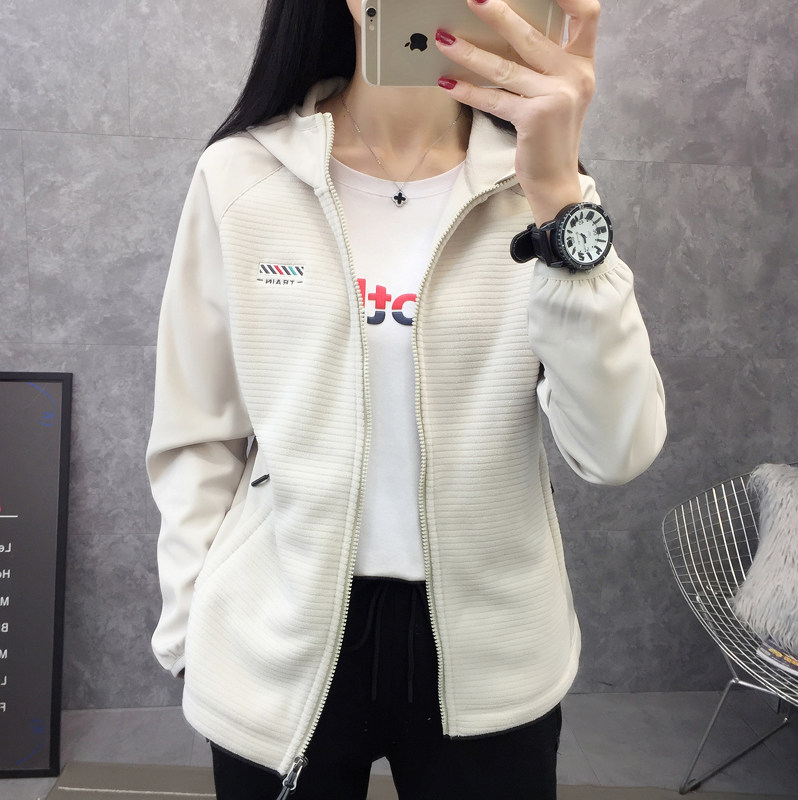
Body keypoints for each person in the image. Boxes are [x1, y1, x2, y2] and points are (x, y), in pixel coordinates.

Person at [146, 0, 667, 797]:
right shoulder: (241, 176)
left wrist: (560, 195)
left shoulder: (543, 192)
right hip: (278, 639)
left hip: (491, 651)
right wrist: (191, 633)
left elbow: (616, 450)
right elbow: (197, 431)